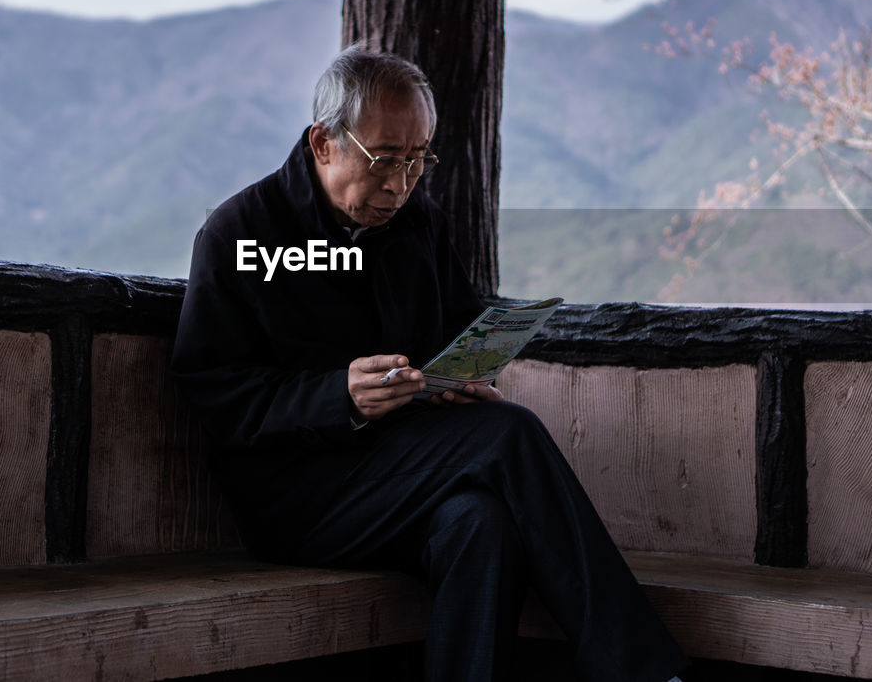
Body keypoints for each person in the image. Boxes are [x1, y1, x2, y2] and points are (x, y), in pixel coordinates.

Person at [171, 45, 688, 682]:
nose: (401, 183)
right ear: (324, 144)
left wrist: (467, 384)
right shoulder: (242, 235)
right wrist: (340, 396)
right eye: (385, 158)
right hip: (298, 499)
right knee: (511, 433)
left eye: (419, 160)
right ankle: (638, 668)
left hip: (410, 473)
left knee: (483, 525)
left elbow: (459, 332)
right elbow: (214, 394)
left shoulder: (418, 225)